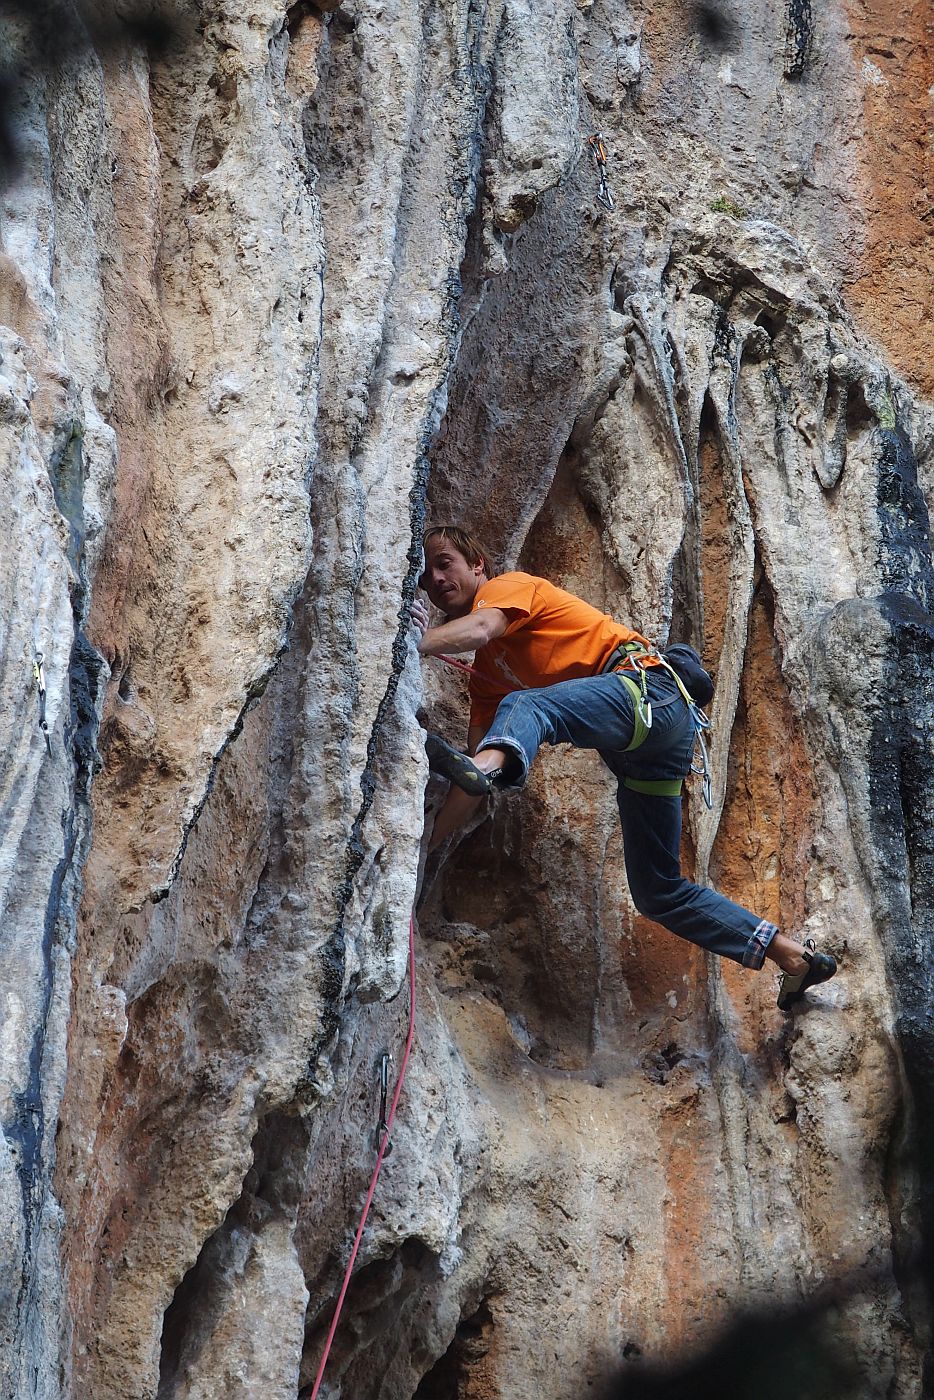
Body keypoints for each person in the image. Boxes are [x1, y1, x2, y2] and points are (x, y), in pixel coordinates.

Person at [412, 525, 837, 1010]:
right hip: (652, 749)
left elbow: (484, 628)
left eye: (445, 562)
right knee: (658, 891)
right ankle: (793, 956)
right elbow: (472, 771)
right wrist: (428, 845)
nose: (436, 577)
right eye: (426, 576)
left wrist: (415, 641)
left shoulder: (507, 588)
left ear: (478, 565)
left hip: (647, 692)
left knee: (527, 708)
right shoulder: (488, 678)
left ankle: (494, 767)